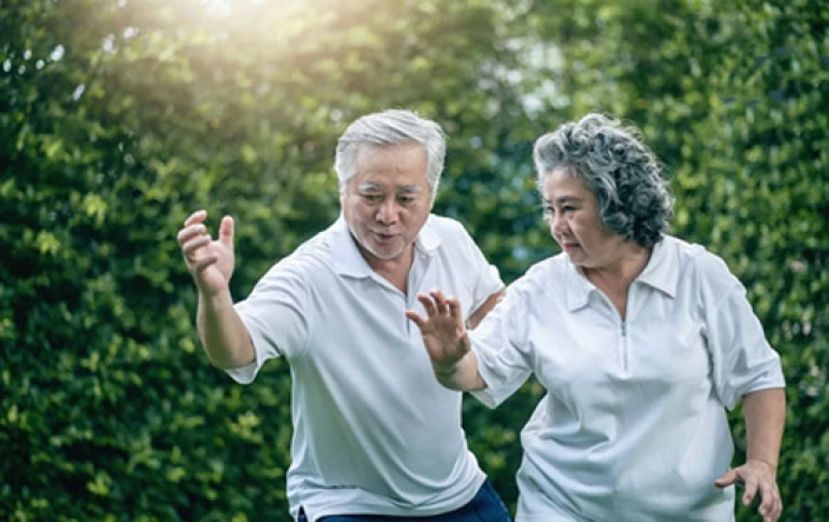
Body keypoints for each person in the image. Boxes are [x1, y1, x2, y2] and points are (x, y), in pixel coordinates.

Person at [407, 113, 786, 522]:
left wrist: (763, 464)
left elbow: (758, 376)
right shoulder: (541, 289)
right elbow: (476, 371)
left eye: (569, 208)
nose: (557, 226)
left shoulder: (699, 276)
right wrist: (449, 359)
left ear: (617, 203)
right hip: (562, 507)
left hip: (689, 511)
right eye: (549, 209)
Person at [176, 109, 511, 521]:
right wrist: (214, 295)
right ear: (343, 190)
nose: (388, 215)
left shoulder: (451, 239)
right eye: (371, 196)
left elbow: (492, 301)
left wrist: (465, 350)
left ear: (431, 194)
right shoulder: (307, 276)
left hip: (457, 494)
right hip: (346, 504)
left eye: (406, 198)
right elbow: (234, 351)